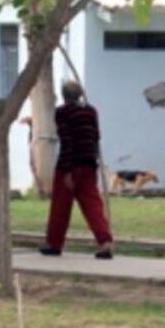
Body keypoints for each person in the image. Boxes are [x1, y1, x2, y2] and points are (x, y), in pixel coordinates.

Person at [40, 81, 114, 259]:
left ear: (63, 95)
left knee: (60, 206)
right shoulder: (91, 111)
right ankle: (105, 241)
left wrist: (67, 171)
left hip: (71, 164)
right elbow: (96, 136)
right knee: (93, 204)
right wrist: (94, 159)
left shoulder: (62, 112)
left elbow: (66, 141)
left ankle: (54, 244)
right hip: (88, 163)